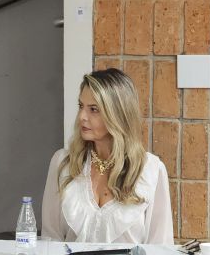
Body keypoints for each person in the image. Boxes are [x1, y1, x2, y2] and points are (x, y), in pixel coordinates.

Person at [42, 68, 173, 244]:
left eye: (93, 109)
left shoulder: (151, 170)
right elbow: (50, 239)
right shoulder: (63, 163)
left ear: (118, 114)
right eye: (81, 106)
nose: (82, 117)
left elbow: (161, 246)